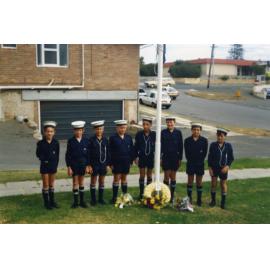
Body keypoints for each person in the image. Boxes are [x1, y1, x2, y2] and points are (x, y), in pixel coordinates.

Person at [208, 128, 234, 209]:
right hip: (214, 168)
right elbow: (209, 158)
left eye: (222, 136)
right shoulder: (213, 145)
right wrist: (210, 168)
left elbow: (231, 158)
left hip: (223, 169)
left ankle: (223, 203)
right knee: (213, 184)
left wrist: (227, 166)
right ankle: (213, 201)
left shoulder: (228, 146)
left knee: (223, 185)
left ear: (225, 137)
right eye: (218, 136)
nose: (219, 138)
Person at [65, 121, 90, 208]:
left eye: (80, 130)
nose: (78, 132)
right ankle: (76, 202)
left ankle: (82, 201)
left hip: (83, 165)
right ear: (74, 131)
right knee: (75, 183)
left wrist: (88, 166)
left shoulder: (86, 141)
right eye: (76, 130)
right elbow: (68, 155)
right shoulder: (71, 141)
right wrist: (69, 167)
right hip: (74, 165)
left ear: (83, 130)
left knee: (82, 182)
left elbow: (88, 155)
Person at [109, 120, 134, 204]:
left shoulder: (128, 138)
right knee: (116, 179)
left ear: (126, 128)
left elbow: (131, 150)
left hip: (126, 162)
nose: (122, 129)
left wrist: (131, 161)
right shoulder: (113, 138)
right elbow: (110, 152)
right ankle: (114, 197)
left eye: (124, 127)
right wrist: (111, 163)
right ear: (117, 128)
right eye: (120, 128)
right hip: (116, 162)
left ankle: (124, 196)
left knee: (124, 179)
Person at [36, 121, 60, 210]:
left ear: (54, 132)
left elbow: (57, 155)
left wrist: (55, 165)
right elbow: (38, 154)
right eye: (48, 131)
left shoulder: (56, 142)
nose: (49, 133)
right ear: (44, 132)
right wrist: (44, 159)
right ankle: (46, 203)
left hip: (53, 166)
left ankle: (52, 202)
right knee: (46, 184)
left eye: (51, 131)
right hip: (45, 166)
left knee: (51, 184)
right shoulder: (41, 143)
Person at [184, 122, 208, 206]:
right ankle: (189, 199)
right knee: (190, 181)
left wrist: (199, 160)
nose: (196, 131)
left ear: (200, 131)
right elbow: (187, 154)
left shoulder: (204, 140)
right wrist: (192, 160)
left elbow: (204, 153)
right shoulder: (187, 140)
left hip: (199, 164)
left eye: (198, 130)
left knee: (199, 182)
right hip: (190, 163)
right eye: (194, 129)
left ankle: (199, 200)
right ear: (191, 130)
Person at [161, 116, 183, 203]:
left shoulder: (178, 133)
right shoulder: (163, 132)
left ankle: (172, 196)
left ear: (174, 122)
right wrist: (160, 158)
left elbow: (180, 146)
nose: (170, 124)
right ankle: (166, 195)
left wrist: (180, 158)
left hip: (175, 157)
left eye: (171, 122)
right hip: (166, 157)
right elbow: (161, 145)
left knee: (173, 176)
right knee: (166, 176)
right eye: (168, 122)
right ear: (166, 123)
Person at [88, 120, 110, 205]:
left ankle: (100, 199)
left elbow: (108, 153)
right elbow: (88, 153)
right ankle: (93, 199)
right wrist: (89, 165)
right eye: (97, 129)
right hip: (94, 164)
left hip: (103, 164)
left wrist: (108, 164)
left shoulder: (105, 140)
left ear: (103, 129)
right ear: (94, 130)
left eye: (101, 129)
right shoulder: (91, 140)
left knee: (102, 181)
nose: (99, 131)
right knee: (93, 181)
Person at [134, 116, 156, 199]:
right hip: (142, 157)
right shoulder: (139, 134)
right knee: (142, 175)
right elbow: (136, 146)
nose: (145, 126)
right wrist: (135, 157)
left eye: (147, 124)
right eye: (144, 124)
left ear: (150, 125)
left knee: (149, 176)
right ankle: (141, 193)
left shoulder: (154, 134)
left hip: (150, 157)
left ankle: (148, 192)